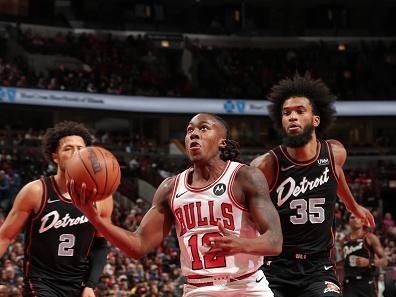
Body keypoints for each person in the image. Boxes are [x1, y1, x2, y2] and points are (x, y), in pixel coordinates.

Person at [69, 113, 283, 297]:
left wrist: (241, 244)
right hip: (199, 289)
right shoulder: (171, 188)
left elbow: (274, 242)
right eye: (190, 130)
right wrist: (96, 219)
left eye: (203, 128)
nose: (194, 134)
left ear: (222, 142)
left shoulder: (244, 176)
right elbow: (138, 246)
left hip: (246, 286)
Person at [250, 74, 375, 297]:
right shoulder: (266, 165)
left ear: (315, 120)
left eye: (300, 111)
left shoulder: (334, 153)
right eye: (286, 113)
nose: (292, 117)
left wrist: (353, 206)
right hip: (276, 266)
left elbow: (336, 177)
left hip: (318, 267)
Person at [0, 121, 113, 297]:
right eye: (68, 148)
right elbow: (5, 236)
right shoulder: (36, 191)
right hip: (41, 282)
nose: (76, 153)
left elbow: (100, 246)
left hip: (78, 284)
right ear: (55, 157)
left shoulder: (101, 198)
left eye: (80, 148)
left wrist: (90, 284)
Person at [342, 213, 387, 297]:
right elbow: (343, 261)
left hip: (366, 282)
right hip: (349, 283)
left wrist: (369, 262)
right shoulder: (343, 240)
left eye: (357, 217)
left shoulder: (370, 238)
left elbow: (385, 261)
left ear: (363, 221)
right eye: (352, 217)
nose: (354, 219)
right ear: (348, 221)